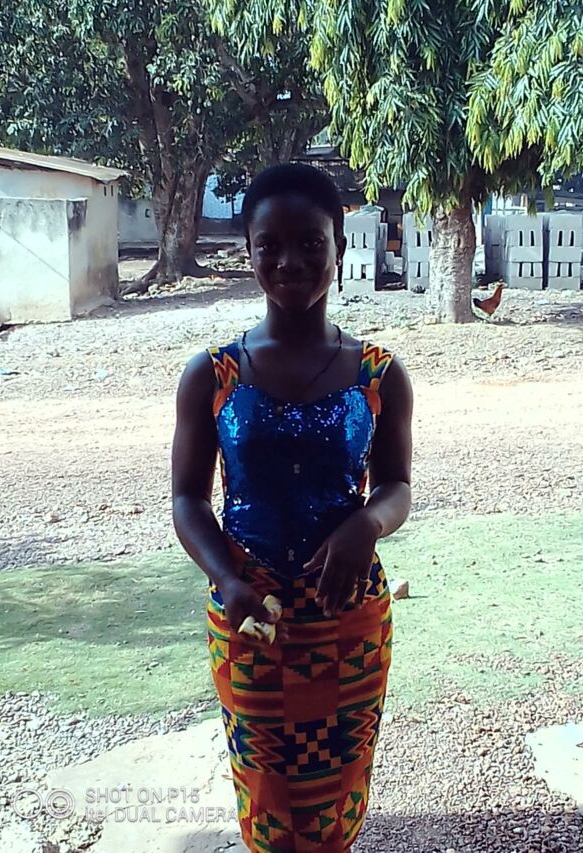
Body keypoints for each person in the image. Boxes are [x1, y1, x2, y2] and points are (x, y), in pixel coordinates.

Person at [172, 163, 413, 852]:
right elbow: (187, 499)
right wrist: (226, 578)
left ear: (339, 245)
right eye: (269, 245)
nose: (290, 261)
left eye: (310, 242)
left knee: (339, 791)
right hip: (250, 615)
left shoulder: (378, 373)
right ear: (247, 250)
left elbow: (396, 486)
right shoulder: (213, 374)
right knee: (268, 794)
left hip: (349, 614)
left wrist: (367, 523)